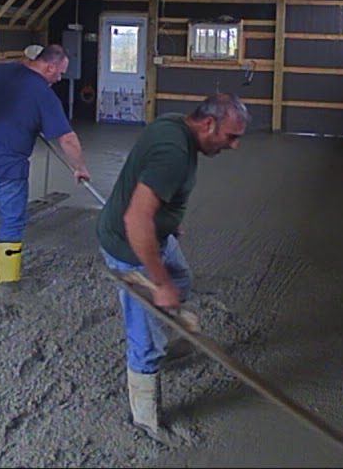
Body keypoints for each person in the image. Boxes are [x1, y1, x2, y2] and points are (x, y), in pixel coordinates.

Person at [95, 93, 250, 439]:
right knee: (146, 333)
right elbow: (137, 218)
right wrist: (158, 282)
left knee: (180, 279)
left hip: (155, 234)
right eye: (231, 136)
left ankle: (167, 337)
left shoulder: (173, 123)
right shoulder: (174, 154)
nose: (234, 146)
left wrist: (167, 220)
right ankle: (146, 420)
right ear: (208, 124)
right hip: (129, 245)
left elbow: (145, 186)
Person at [0, 44, 90, 296]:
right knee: (11, 221)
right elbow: (67, 139)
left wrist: (1, 119)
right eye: (60, 72)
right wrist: (80, 168)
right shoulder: (42, 93)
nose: (60, 78)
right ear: (49, 66)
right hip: (8, 168)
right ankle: (7, 284)